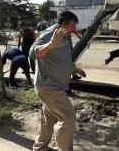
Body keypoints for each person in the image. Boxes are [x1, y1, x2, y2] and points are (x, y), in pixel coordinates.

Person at [29, 11, 86, 151]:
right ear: (63, 24)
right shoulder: (50, 34)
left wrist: (72, 68)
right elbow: (33, 53)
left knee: (48, 119)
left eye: (75, 25)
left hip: (53, 86)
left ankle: (40, 148)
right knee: (68, 118)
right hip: (50, 87)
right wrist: (50, 45)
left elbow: (61, 57)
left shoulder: (64, 35)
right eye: (72, 25)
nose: (74, 28)